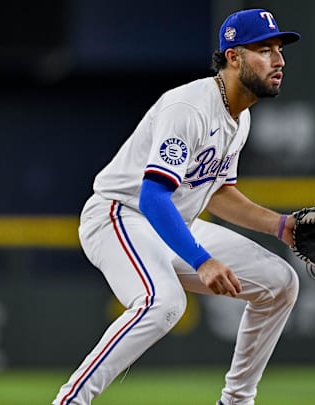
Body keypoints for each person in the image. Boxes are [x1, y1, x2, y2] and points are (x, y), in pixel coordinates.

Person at [53, 8, 301, 405]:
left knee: (280, 284)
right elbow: (153, 196)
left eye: (279, 50)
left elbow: (218, 193)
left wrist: (282, 226)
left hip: (171, 222)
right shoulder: (190, 107)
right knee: (163, 302)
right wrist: (202, 260)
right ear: (233, 57)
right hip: (121, 215)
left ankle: (236, 400)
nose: (279, 59)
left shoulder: (240, 117)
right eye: (265, 49)